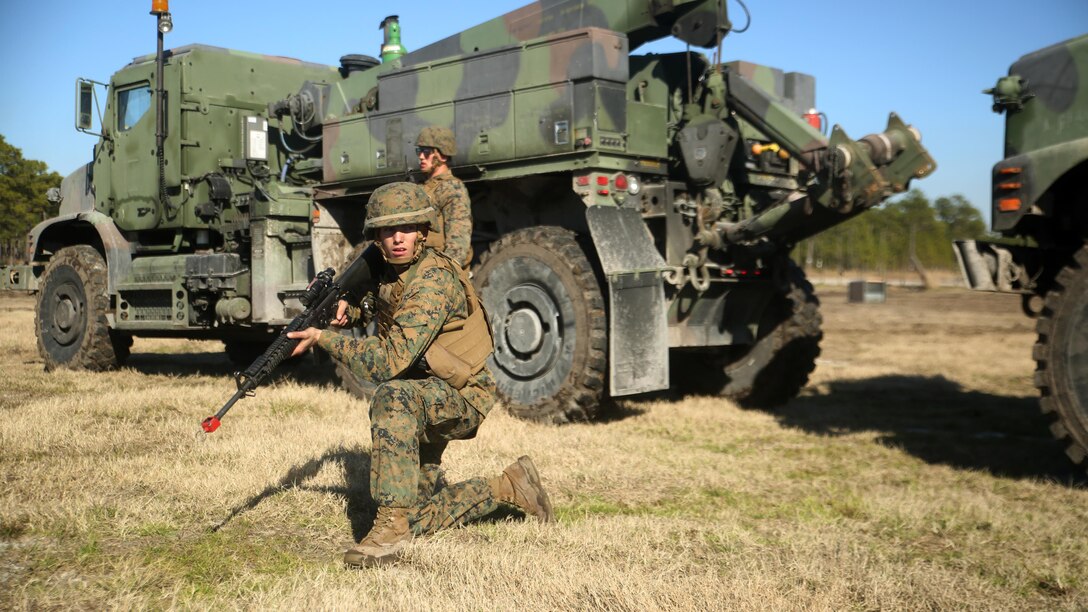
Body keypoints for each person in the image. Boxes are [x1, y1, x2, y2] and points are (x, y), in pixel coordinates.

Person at [288, 182, 553, 568]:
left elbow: (388, 361)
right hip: (428, 386)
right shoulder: (392, 270)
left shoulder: (433, 279)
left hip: (462, 394)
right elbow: (386, 306)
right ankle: (511, 486)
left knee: (391, 397)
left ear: (423, 232)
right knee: (417, 513)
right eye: (387, 230)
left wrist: (324, 339)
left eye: (407, 229)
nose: (397, 238)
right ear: (375, 237)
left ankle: (390, 533)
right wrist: (351, 311)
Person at [416, 126, 473, 269]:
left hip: (441, 274)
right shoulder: (423, 187)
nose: (421, 156)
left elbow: (458, 242)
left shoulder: (452, 189)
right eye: (419, 151)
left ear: (443, 155)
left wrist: (445, 273)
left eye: (427, 152)